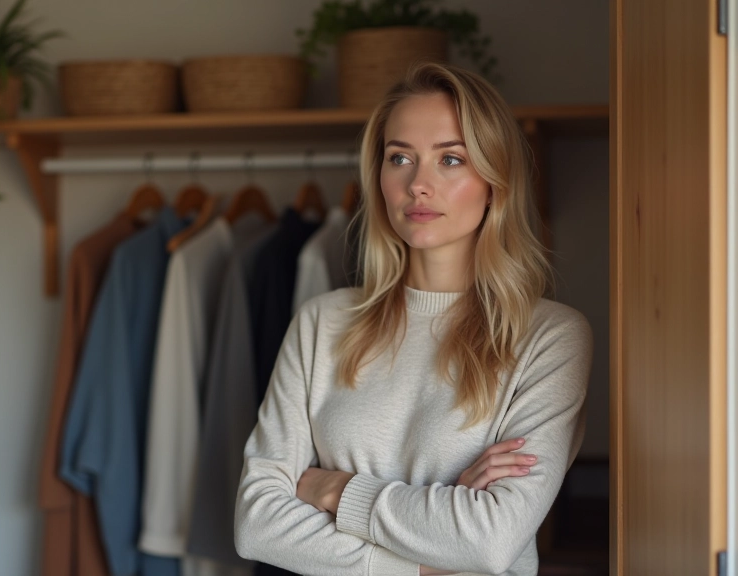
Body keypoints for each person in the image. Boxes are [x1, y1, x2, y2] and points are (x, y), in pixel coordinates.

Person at [233, 62, 593, 576]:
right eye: (400, 157)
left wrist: (329, 488)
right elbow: (256, 524)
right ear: (378, 176)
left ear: (495, 181)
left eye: (450, 159)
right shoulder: (321, 321)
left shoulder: (550, 337)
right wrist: (427, 563)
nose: (418, 184)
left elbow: (490, 540)